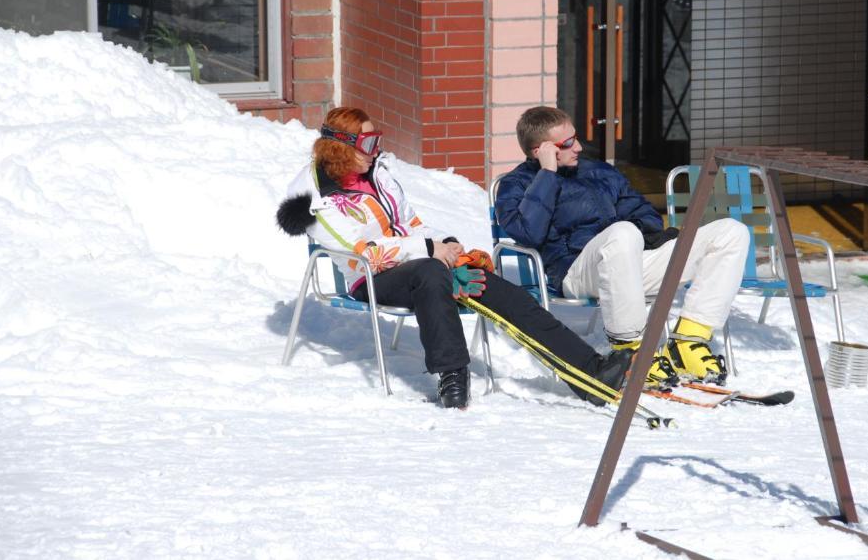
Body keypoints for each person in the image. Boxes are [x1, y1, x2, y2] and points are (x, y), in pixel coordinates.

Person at [276, 107, 632, 410]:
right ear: (340, 148)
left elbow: (411, 224)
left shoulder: (378, 174)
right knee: (431, 272)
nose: (377, 150)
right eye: (369, 143)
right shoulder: (314, 195)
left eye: (378, 140)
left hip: (423, 268)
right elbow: (364, 253)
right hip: (368, 277)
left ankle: (590, 372)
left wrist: (445, 245)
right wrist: (431, 252)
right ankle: (452, 375)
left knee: (501, 292)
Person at [494, 106, 751, 386]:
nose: (578, 147)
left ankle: (689, 341)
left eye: (576, 137)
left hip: (628, 260)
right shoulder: (516, 185)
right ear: (539, 151)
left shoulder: (600, 172)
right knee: (622, 233)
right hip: (575, 271)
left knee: (731, 232)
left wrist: (629, 239)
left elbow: (646, 216)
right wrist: (547, 175)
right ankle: (631, 352)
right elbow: (528, 233)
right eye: (567, 143)